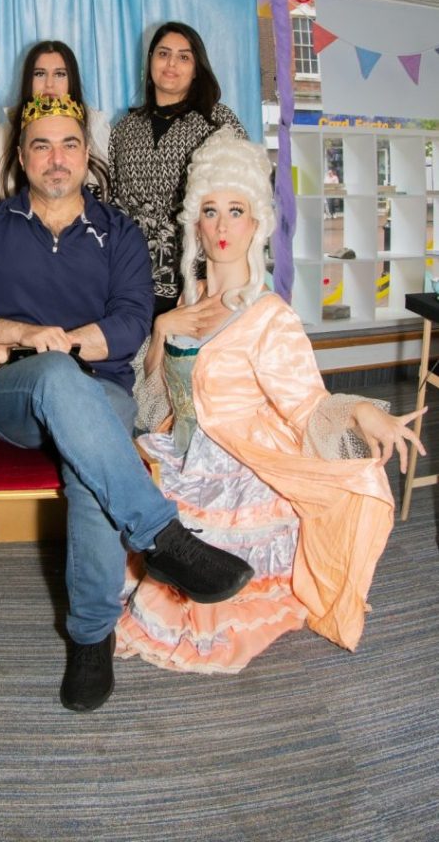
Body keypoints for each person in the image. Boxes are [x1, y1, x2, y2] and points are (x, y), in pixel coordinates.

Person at [0, 94, 254, 714]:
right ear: (21, 155)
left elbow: (132, 325)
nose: (56, 159)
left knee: (90, 459)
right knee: (57, 377)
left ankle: (90, 639)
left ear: (87, 154)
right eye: (42, 145)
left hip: (102, 389)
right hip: (13, 394)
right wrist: (20, 336)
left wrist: (55, 341)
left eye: (69, 145)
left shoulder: (119, 232)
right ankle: (163, 538)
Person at [118, 128, 425, 673]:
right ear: (195, 223)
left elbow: (307, 404)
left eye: (235, 211)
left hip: (239, 465)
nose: (222, 226)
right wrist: (163, 328)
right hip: (181, 450)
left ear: (256, 222)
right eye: (210, 211)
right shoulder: (187, 299)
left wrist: (361, 411)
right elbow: (152, 397)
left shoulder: (270, 316)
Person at [108, 21, 247, 323]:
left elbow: (244, 198)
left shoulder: (217, 122)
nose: (171, 64)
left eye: (184, 57)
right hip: (133, 278)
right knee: (141, 351)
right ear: (150, 61)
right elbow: (115, 200)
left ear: (197, 69)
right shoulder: (124, 129)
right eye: (163, 54)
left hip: (200, 280)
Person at [1, 40, 110, 197]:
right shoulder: (4, 133)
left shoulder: (96, 127)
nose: (49, 84)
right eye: (40, 74)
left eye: (60, 74)